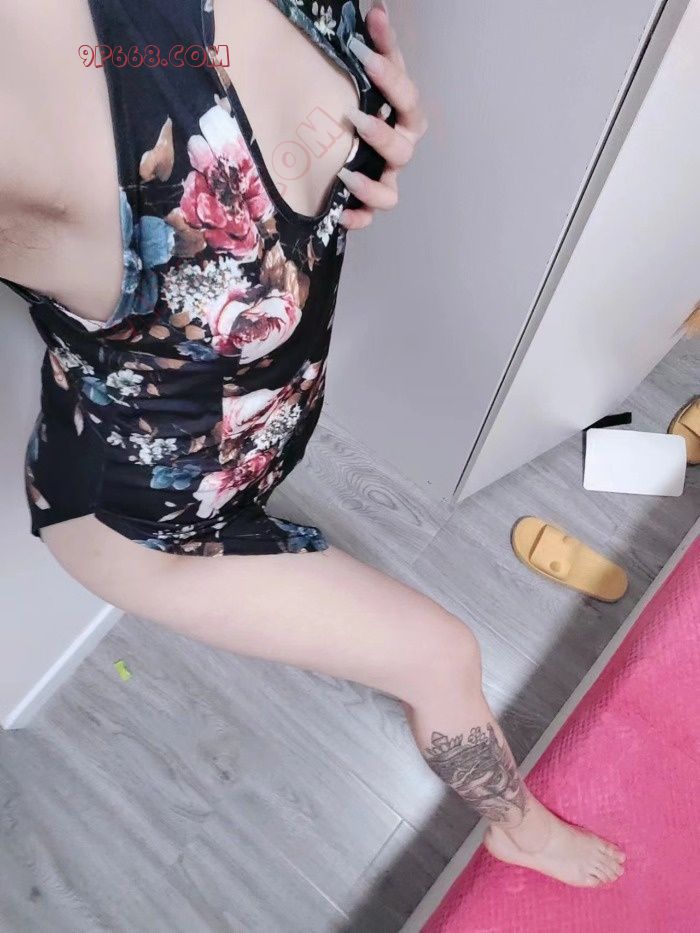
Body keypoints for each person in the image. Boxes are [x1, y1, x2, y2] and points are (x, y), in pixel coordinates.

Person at [0, 0, 625, 888]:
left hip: (253, 444)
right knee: (442, 656)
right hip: (142, 525)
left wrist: (372, 132)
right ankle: (515, 826)